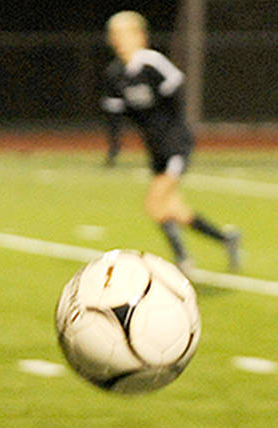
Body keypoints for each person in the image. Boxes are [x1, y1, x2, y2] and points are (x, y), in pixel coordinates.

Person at [101, 10, 240, 275]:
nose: (119, 41)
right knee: (174, 208)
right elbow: (115, 115)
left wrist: (173, 134)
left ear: (140, 37)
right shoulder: (115, 74)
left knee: (154, 203)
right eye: (115, 36)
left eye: (125, 34)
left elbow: (176, 96)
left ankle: (183, 260)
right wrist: (114, 149)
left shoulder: (152, 64)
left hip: (175, 145)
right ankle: (226, 239)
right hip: (154, 149)